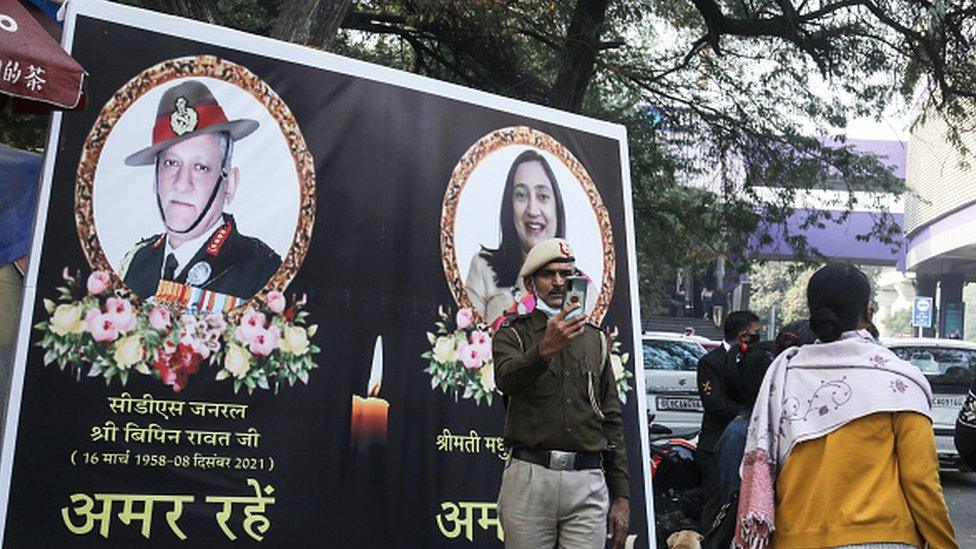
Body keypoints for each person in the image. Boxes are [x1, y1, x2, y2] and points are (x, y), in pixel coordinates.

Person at [736, 263, 957, 549]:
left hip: (796, 540)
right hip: (883, 539)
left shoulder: (785, 375)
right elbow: (921, 482)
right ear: (868, 310)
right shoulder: (898, 380)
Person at [493, 237, 629, 549]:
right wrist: (543, 349)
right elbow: (506, 380)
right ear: (530, 284)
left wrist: (621, 495)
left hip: (587, 481)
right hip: (530, 477)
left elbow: (611, 419)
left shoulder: (595, 339)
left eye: (566, 274)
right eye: (548, 274)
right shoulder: (512, 332)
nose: (558, 282)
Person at [120, 80, 281, 303]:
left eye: (201, 167)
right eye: (171, 164)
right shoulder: (137, 261)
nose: (182, 184)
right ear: (155, 179)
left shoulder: (260, 270)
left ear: (229, 185)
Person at [465, 150, 596, 324]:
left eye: (542, 196)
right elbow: (467, 339)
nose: (532, 210)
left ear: (557, 207)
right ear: (509, 205)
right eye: (521, 195)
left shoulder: (582, 288)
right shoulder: (483, 268)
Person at [696, 310, 759, 530]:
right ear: (743, 334)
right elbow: (713, 403)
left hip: (747, 446)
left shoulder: (753, 359)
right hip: (716, 445)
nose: (756, 336)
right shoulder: (711, 362)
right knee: (717, 510)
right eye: (754, 332)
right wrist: (747, 413)